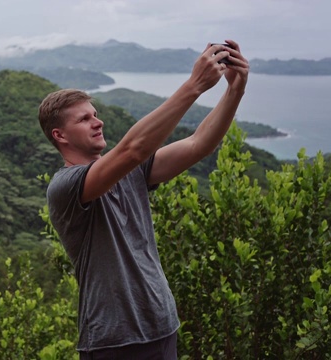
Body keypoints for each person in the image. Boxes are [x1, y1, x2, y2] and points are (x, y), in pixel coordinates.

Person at [38, 41, 249, 359]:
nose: (98, 121)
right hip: (113, 341)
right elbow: (132, 149)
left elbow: (197, 144)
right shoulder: (65, 187)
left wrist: (235, 90)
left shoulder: (131, 172)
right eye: (83, 119)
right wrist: (193, 86)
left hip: (162, 326)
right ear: (60, 136)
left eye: (95, 114)